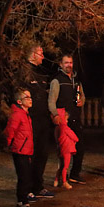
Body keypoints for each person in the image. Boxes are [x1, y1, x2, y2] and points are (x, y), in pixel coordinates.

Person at [20, 44, 54, 199]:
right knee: (29, 155)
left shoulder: (42, 73)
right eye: (40, 53)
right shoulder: (25, 72)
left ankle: (38, 186)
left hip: (43, 120)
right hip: (30, 120)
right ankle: (27, 189)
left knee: (42, 153)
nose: (43, 56)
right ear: (32, 54)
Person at [48, 54, 85, 184]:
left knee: (80, 146)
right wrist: (55, 115)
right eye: (66, 63)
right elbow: (51, 100)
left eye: (70, 62)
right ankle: (62, 176)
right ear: (61, 64)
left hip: (75, 117)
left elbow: (82, 96)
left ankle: (75, 174)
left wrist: (82, 102)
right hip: (64, 120)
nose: (69, 65)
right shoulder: (57, 81)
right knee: (64, 150)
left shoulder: (76, 80)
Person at [5, 89, 36, 207]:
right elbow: (10, 131)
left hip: (26, 149)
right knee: (24, 177)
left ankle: (20, 201)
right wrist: (9, 144)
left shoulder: (26, 115)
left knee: (25, 175)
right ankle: (24, 203)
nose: (30, 99)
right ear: (19, 101)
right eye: (26, 97)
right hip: (20, 150)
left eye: (30, 96)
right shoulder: (18, 115)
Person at [54, 108, 79, 190]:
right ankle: (64, 181)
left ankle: (56, 180)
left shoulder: (58, 128)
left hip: (61, 148)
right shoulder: (65, 128)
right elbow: (75, 138)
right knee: (65, 166)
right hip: (67, 148)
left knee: (61, 165)